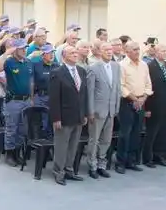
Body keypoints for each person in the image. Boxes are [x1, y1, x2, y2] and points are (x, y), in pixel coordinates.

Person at [49, 45, 87, 186]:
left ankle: (69, 170)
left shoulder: (81, 71)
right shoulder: (57, 73)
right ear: (64, 56)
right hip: (63, 116)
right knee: (61, 145)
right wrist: (56, 117)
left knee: (73, 145)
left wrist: (85, 113)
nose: (75, 54)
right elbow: (54, 98)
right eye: (72, 53)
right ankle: (58, 172)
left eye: (76, 52)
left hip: (78, 115)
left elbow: (83, 95)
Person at [0, 38, 33, 166]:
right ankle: (9, 154)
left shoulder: (28, 62)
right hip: (13, 101)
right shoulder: (9, 62)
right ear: (15, 49)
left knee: (23, 129)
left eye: (25, 48)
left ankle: (17, 153)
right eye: (21, 48)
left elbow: (31, 82)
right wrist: (8, 52)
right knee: (12, 128)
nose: (24, 50)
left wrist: (31, 99)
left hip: (26, 100)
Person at [85, 42, 121, 179]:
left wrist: (117, 106)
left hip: (111, 110)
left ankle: (102, 164)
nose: (109, 52)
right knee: (94, 139)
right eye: (106, 50)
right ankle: (92, 165)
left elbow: (117, 89)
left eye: (111, 49)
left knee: (106, 139)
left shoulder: (116, 67)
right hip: (98, 110)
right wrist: (91, 111)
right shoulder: (93, 68)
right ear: (100, 51)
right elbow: (90, 91)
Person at [116, 41, 152, 174]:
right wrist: (134, 99)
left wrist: (143, 98)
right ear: (127, 51)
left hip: (141, 102)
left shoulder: (144, 65)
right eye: (134, 49)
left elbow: (148, 85)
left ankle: (131, 161)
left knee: (136, 133)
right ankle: (120, 162)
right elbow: (121, 86)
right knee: (125, 133)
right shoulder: (122, 65)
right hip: (127, 102)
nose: (137, 52)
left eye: (138, 49)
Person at [142, 44, 166, 168]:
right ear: (155, 52)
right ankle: (148, 158)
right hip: (154, 104)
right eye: (162, 51)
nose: (165, 53)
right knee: (152, 132)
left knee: (164, 132)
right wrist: (147, 108)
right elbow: (147, 87)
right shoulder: (149, 67)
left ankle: (160, 156)